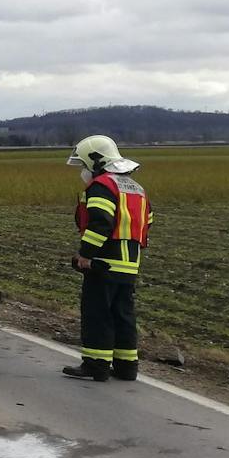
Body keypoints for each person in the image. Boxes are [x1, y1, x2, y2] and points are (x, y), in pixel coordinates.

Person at [63, 135, 152, 383]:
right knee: (123, 314)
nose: (82, 171)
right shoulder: (135, 188)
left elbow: (100, 223)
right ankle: (126, 367)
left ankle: (96, 365)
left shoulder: (102, 186)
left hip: (104, 263)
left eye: (83, 165)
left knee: (97, 314)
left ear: (95, 161)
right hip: (129, 264)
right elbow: (147, 222)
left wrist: (85, 255)